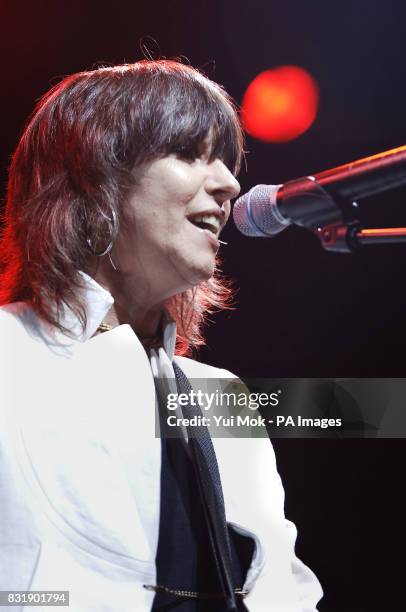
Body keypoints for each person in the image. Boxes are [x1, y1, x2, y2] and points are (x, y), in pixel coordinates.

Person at [0, 60, 322, 611]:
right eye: (189, 153)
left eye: (226, 159)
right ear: (93, 176)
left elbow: (283, 593)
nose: (228, 183)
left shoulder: (222, 396)